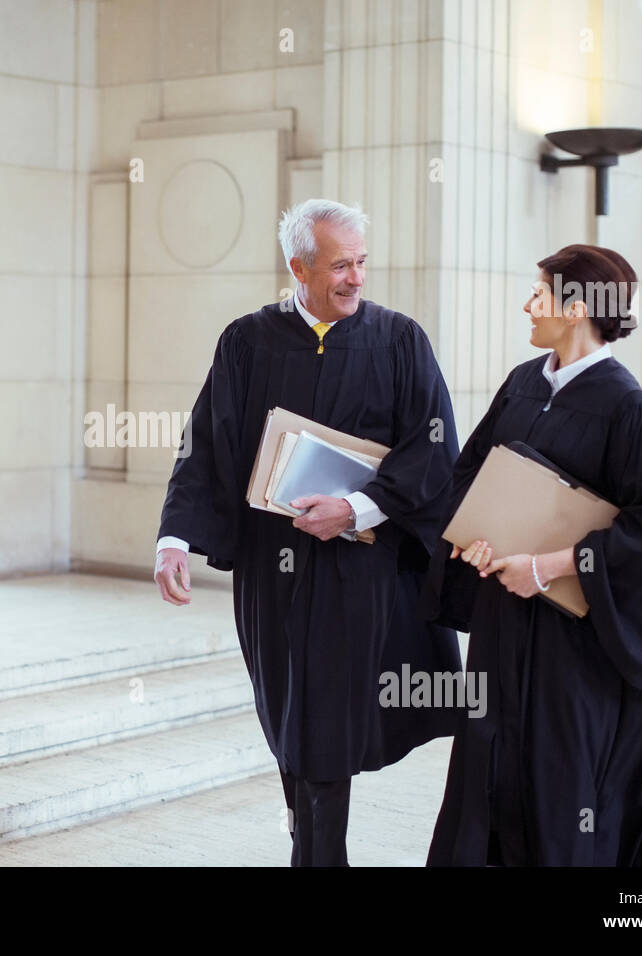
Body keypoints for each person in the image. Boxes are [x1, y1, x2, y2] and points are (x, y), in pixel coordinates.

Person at [421, 243, 642, 866]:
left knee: (559, 780)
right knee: (490, 772)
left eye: (539, 293)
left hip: (570, 643)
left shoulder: (622, 404)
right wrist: (476, 539)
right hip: (504, 626)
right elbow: (471, 477)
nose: (528, 304)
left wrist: (547, 567)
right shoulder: (524, 384)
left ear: (576, 307)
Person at [153, 199, 463, 866]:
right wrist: (174, 537)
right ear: (297, 267)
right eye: (340, 266)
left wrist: (358, 507)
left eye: (361, 263)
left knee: (325, 715)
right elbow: (205, 442)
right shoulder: (247, 341)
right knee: (289, 710)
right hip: (273, 569)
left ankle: (321, 856)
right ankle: (307, 839)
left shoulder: (399, 340)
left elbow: (433, 448)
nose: (356, 278)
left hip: (358, 569)